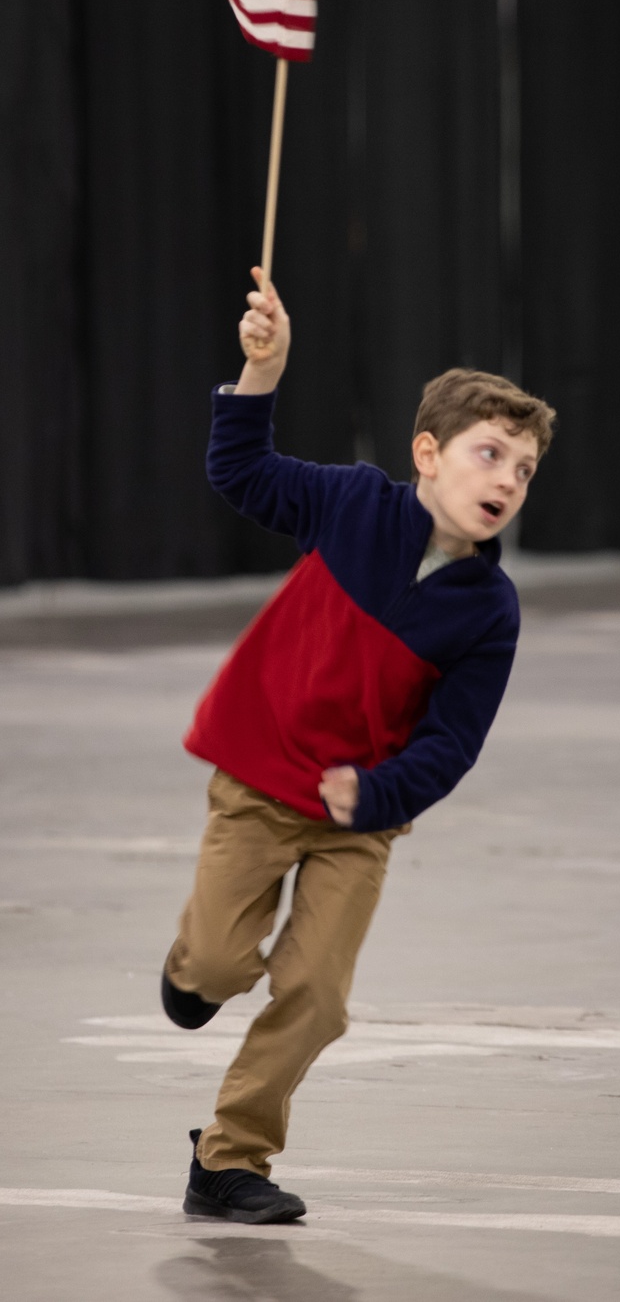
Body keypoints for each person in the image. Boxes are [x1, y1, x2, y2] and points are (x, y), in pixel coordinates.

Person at [161, 268, 556, 1224]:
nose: (506, 478)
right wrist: (264, 373)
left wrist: (374, 797)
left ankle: (229, 1161)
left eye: (525, 469)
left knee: (318, 996)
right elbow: (241, 475)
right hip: (260, 782)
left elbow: (453, 745)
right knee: (219, 967)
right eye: (490, 453)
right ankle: (190, 973)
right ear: (428, 454)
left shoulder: (488, 612)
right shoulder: (349, 505)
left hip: (357, 820)